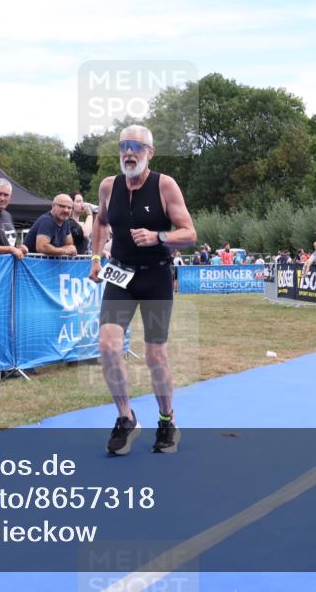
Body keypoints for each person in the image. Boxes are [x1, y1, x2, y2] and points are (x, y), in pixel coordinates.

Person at [88, 125, 196, 456]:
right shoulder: (109, 186)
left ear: (150, 151)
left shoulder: (165, 185)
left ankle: (166, 421)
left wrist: (159, 237)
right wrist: (95, 256)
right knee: (107, 345)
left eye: (136, 146)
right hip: (120, 274)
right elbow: (101, 222)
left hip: (155, 276)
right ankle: (126, 417)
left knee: (155, 355)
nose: (129, 152)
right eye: (123, 146)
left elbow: (189, 233)